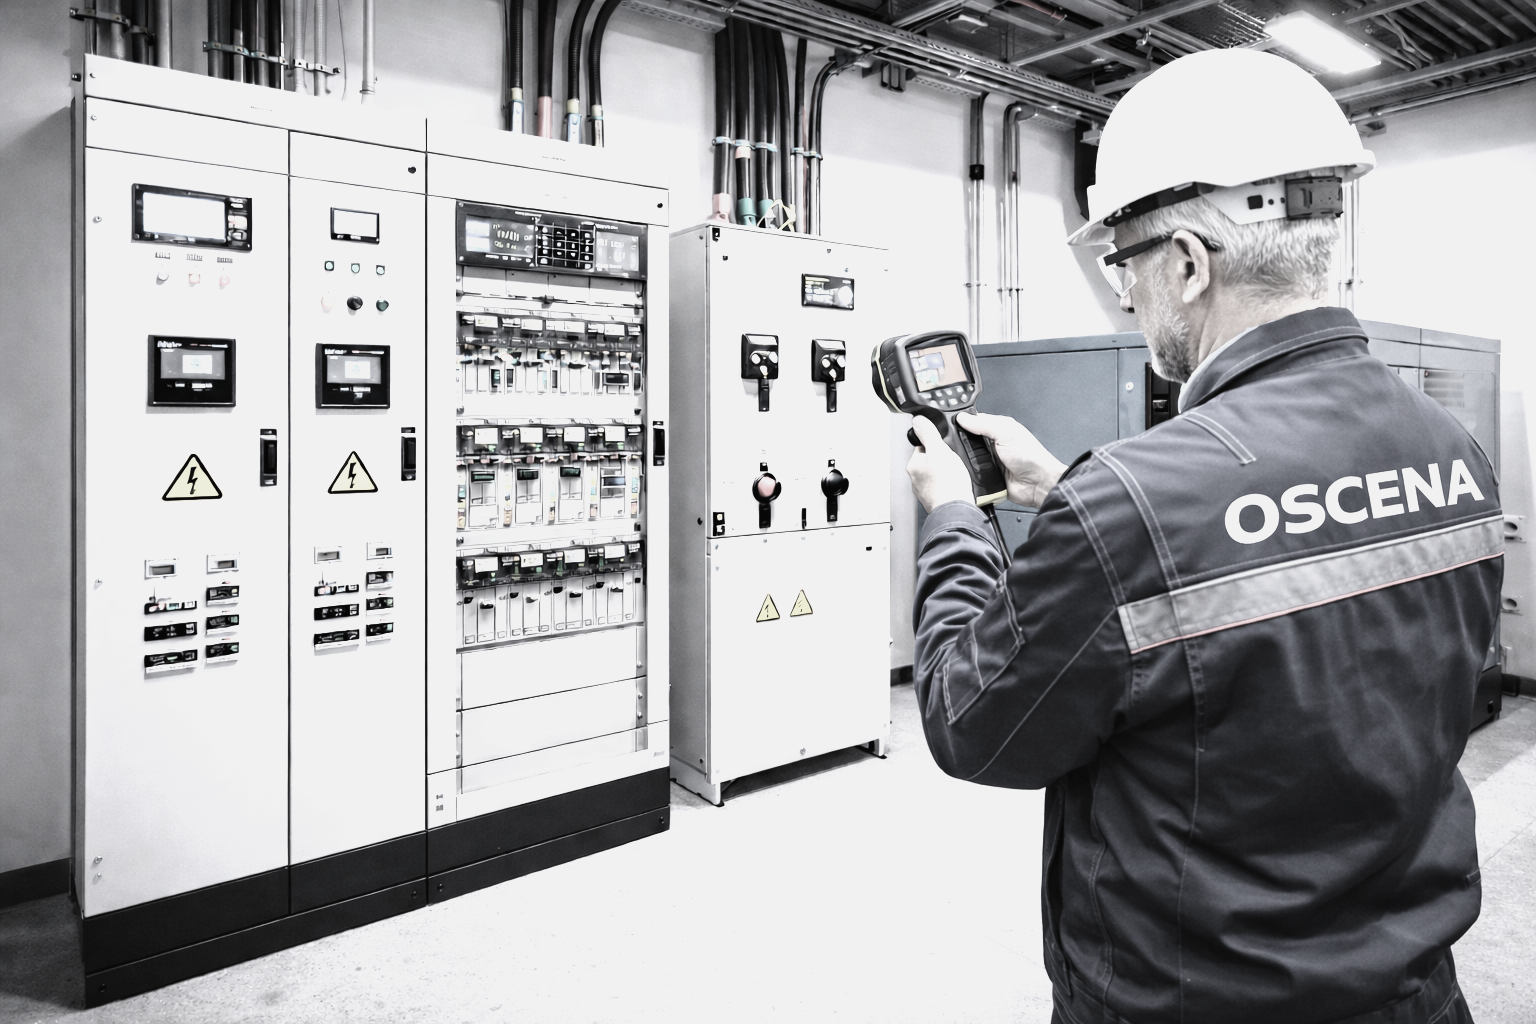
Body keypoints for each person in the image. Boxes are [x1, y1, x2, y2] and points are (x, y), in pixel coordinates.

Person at [905, 48, 1502, 1024]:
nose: (1126, 297)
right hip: (1413, 997)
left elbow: (977, 724)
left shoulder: (1135, 504)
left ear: (1185, 263)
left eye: (1123, 268)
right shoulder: (1453, 449)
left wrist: (952, 519)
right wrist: (1066, 492)